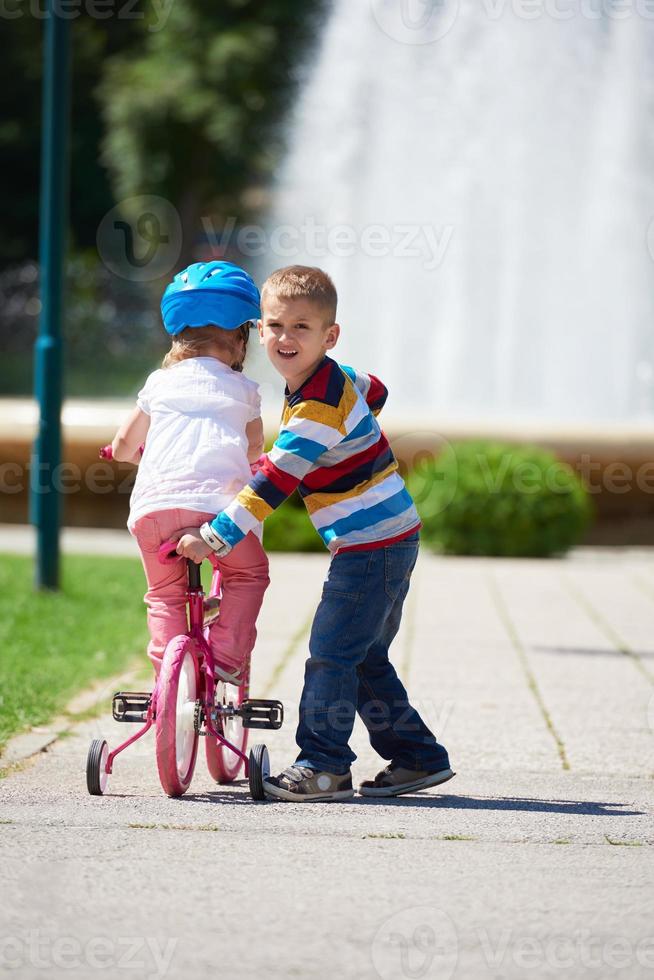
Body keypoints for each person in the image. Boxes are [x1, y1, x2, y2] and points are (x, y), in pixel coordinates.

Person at [175, 265, 453, 801]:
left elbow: (275, 480)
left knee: (331, 651)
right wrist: (360, 421)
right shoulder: (332, 377)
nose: (285, 338)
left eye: (302, 328)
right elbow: (377, 388)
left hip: (372, 546)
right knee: (363, 654)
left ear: (330, 335)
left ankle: (324, 765)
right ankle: (418, 757)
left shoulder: (316, 408)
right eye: (275, 325)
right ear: (258, 330)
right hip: (389, 536)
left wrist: (213, 538)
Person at [111, 261, 270, 685]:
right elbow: (254, 448)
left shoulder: (158, 383)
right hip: (219, 511)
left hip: (154, 510)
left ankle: (169, 687)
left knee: (164, 597)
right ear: (241, 339)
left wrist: (122, 452)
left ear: (177, 335)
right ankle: (225, 657)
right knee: (248, 575)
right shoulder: (245, 390)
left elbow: (126, 445)